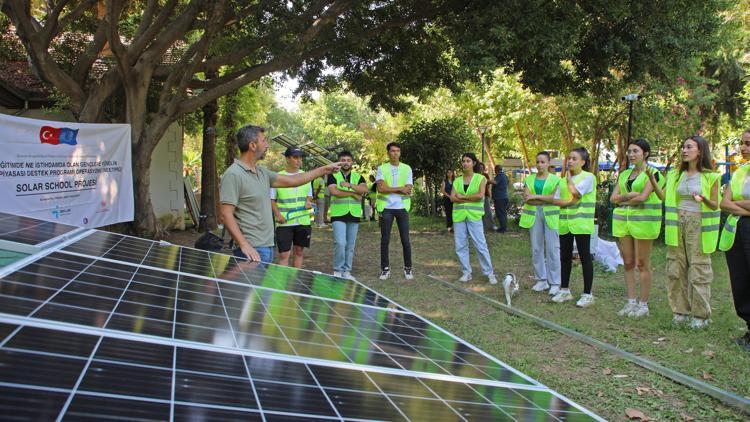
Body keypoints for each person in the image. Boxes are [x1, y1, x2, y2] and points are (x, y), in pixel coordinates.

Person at [219, 125, 341, 264]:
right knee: (250, 286)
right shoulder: (233, 174)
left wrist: (325, 169)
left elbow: (294, 180)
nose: (267, 145)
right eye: (264, 141)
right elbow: (225, 214)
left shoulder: (261, 172)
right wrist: (244, 244)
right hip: (250, 249)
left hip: (267, 246)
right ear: (252, 145)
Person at [658, 135, 720, 328]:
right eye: (683, 147)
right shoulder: (677, 175)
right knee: (675, 268)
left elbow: (716, 204)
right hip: (678, 224)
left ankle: (701, 315)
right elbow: (666, 197)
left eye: (689, 147)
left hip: (697, 224)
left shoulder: (710, 176)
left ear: (700, 151)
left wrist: (703, 199)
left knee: (699, 268)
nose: (684, 151)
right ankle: (680, 311)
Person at [610, 139, 664, 318]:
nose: (631, 155)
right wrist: (629, 195)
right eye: (629, 151)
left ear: (645, 153)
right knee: (628, 263)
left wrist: (623, 199)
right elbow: (613, 198)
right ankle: (631, 302)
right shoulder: (624, 174)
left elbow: (643, 198)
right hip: (624, 223)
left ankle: (643, 304)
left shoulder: (654, 173)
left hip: (643, 224)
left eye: (636, 151)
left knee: (642, 264)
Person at [551, 147, 597, 307]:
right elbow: (555, 199)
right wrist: (568, 200)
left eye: (574, 159)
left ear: (583, 162)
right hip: (565, 223)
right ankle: (565, 290)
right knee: (564, 257)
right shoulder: (562, 180)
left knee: (585, 258)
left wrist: (570, 181)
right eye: (569, 158)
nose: (570, 161)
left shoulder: (588, 177)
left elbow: (576, 193)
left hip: (581, 224)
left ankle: (587, 294)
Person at [719, 128, 750, 350]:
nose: (743, 147)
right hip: (737, 231)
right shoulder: (740, 172)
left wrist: (735, 206)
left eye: (748, 143)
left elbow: (731, 203)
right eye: (742, 143)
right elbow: (724, 203)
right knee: (740, 281)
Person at [451, 153, 497, 284]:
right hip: (459, 216)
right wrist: (461, 197)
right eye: (463, 161)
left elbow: (480, 195)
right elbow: (452, 197)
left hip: (474, 216)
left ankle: (489, 273)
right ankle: (466, 272)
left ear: (474, 163)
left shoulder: (480, 178)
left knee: (480, 244)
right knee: (460, 245)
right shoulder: (457, 180)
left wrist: (462, 197)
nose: (465, 163)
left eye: (468, 161)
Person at [520, 152, 562, 295]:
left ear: (549, 163)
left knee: (552, 249)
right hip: (534, 217)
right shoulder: (529, 179)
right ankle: (541, 280)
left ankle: (555, 282)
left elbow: (555, 199)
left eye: (543, 162)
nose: (539, 165)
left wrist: (536, 196)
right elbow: (527, 198)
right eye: (537, 162)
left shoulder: (556, 180)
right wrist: (544, 199)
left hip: (551, 217)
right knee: (536, 248)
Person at [270, 146, 314, 268]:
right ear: (287, 159)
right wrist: (278, 215)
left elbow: (309, 195)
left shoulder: (306, 176)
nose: (298, 160)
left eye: (300, 157)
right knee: (284, 255)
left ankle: (296, 281)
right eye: (295, 157)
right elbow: (272, 200)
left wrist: (308, 201)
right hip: (284, 222)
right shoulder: (277, 177)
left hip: (303, 220)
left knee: (299, 252)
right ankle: (282, 283)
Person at [376, 142, 414, 280]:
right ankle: (385, 269)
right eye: (392, 151)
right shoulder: (381, 168)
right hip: (386, 208)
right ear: (388, 153)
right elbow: (381, 188)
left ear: (400, 152)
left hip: (402, 208)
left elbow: (408, 189)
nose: (395, 153)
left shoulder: (407, 168)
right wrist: (399, 189)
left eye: (398, 151)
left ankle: (408, 268)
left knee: (405, 239)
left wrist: (391, 188)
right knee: (385, 239)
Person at [328, 151, 368, 280]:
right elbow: (334, 192)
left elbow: (364, 190)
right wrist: (353, 193)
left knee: (350, 245)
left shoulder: (358, 176)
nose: (346, 162)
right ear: (339, 162)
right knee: (340, 243)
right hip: (338, 214)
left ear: (352, 162)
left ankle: (347, 271)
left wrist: (349, 186)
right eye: (343, 160)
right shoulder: (333, 175)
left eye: (348, 160)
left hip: (354, 214)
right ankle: (338, 270)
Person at [479, 163, 499, 232]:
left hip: (485, 194)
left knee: (487, 211)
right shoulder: (475, 174)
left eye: (482, 167)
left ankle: (491, 226)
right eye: (480, 167)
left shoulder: (485, 175)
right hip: (477, 195)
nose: (481, 168)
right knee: (479, 212)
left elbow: (488, 183)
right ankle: (482, 227)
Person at [493, 164, 509, 233]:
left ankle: (502, 229)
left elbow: (495, 182)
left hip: (499, 197)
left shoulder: (499, 175)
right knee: (503, 213)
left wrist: (486, 181)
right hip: (505, 196)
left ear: (496, 170)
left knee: (500, 213)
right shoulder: (505, 176)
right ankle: (504, 227)